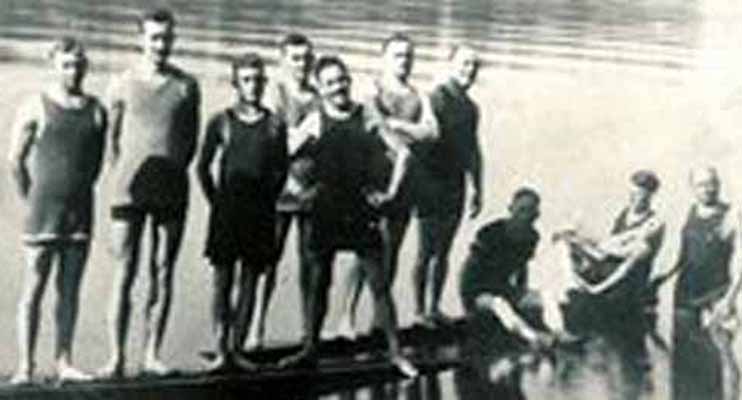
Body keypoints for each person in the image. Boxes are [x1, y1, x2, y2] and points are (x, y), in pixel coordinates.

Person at [277, 55, 417, 378]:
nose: (338, 86)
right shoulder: (313, 120)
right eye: (330, 82)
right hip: (325, 209)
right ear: (320, 88)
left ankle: (396, 353)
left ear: (348, 81)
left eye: (342, 79)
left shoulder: (366, 115)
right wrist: (296, 189)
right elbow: (282, 154)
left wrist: (390, 193)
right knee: (318, 282)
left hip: (360, 209)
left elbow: (404, 154)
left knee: (379, 284)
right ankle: (309, 349)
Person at [101, 8, 200, 378]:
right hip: (128, 191)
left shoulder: (187, 85)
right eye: (155, 38)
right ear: (140, 39)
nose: (162, 45)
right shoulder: (121, 83)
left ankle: (152, 355)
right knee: (123, 272)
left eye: (167, 38)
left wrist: (173, 171)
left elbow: (190, 139)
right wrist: (121, 179)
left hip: (171, 189)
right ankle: (115, 358)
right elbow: (110, 140)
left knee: (162, 271)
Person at [8, 37, 107, 384]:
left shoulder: (97, 110)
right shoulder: (34, 104)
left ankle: (65, 360)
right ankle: (25, 366)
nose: (74, 70)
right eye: (66, 64)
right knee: (33, 289)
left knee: (70, 290)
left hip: (79, 210)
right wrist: (30, 198)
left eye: (79, 64)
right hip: (42, 210)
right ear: (54, 65)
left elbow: (94, 166)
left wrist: (77, 194)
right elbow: (14, 161)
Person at [335, 33, 439, 338]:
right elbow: (375, 122)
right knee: (362, 252)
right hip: (374, 180)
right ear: (384, 58)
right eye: (397, 55)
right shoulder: (373, 88)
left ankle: (379, 322)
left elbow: (432, 132)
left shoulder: (420, 96)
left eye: (408, 56)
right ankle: (345, 319)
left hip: (406, 184)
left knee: (391, 252)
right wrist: (404, 135)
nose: (403, 61)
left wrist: (400, 126)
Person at [197, 53, 288, 371]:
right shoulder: (221, 121)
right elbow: (202, 167)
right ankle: (221, 349)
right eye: (247, 80)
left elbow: (281, 170)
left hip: (259, 214)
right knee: (222, 282)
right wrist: (216, 202)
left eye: (259, 80)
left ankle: (237, 349)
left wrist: (266, 202)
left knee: (250, 280)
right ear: (236, 83)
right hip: (226, 213)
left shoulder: (275, 123)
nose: (254, 86)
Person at [552, 170, 666, 397]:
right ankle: (574, 289)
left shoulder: (654, 223)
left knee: (636, 250)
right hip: (607, 269)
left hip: (627, 282)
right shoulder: (624, 214)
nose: (636, 198)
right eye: (633, 193)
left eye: (642, 195)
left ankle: (588, 296)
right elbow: (607, 249)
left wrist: (594, 248)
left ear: (651, 196)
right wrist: (577, 241)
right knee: (563, 245)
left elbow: (625, 257)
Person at [250, 33, 319, 350]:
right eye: (295, 58)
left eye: (306, 58)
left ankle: (308, 332)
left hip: (311, 193)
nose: (301, 65)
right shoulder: (274, 95)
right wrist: (306, 131)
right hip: (277, 193)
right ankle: (254, 330)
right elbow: (280, 142)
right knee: (267, 260)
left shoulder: (319, 97)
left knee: (309, 263)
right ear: (283, 62)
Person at [413, 45, 483, 327]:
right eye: (465, 64)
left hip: (456, 185)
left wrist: (478, 186)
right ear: (451, 65)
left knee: (443, 252)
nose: (470, 71)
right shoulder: (437, 98)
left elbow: (474, 149)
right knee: (426, 250)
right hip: (430, 183)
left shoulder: (471, 107)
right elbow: (420, 140)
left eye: (474, 66)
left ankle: (434, 308)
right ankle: (419, 311)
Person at [657, 166, 741, 400]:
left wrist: (729, 300)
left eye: (712, 183)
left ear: (719, 184)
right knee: (684, 365)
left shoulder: (732, 216)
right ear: (692, 188)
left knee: (719, 363)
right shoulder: (688, 214)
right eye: (702, 185)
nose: (708, 189)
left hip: (716, 299)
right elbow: (681, 257)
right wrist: (658, 280)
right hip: (684, 298)